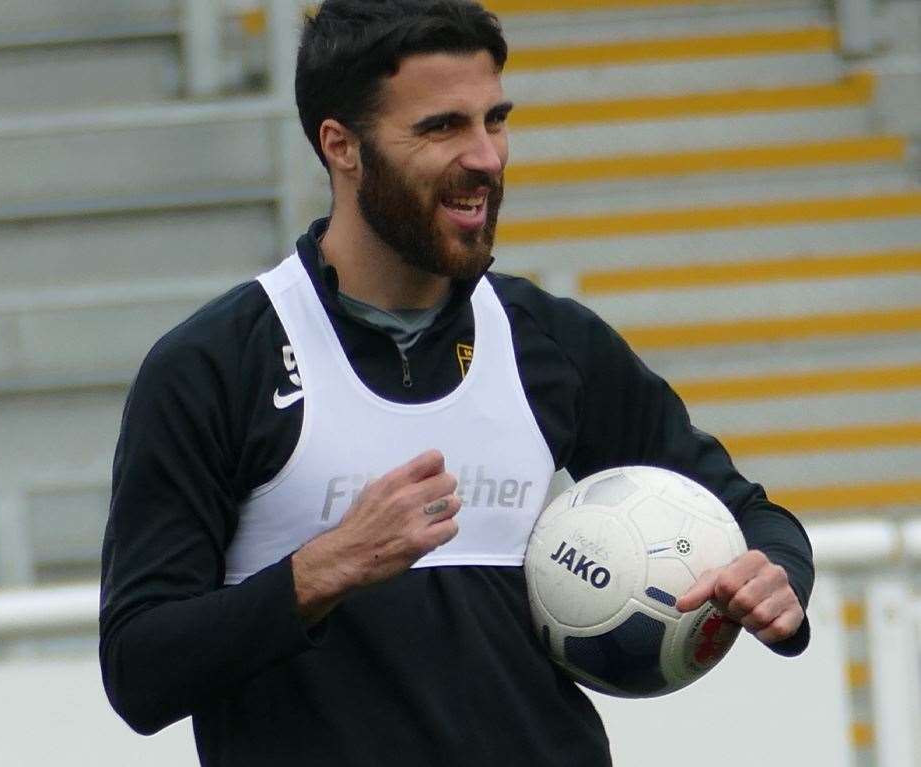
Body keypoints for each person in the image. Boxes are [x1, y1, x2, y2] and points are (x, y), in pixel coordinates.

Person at [99, 1, 814, 764]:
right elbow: (140, 669)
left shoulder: (550, 341)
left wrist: (775, 579)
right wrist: (321, 570)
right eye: (442, 127)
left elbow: (753, 519)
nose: (487, 157)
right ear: (342, 146)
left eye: (493, 120)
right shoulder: (216, 366)